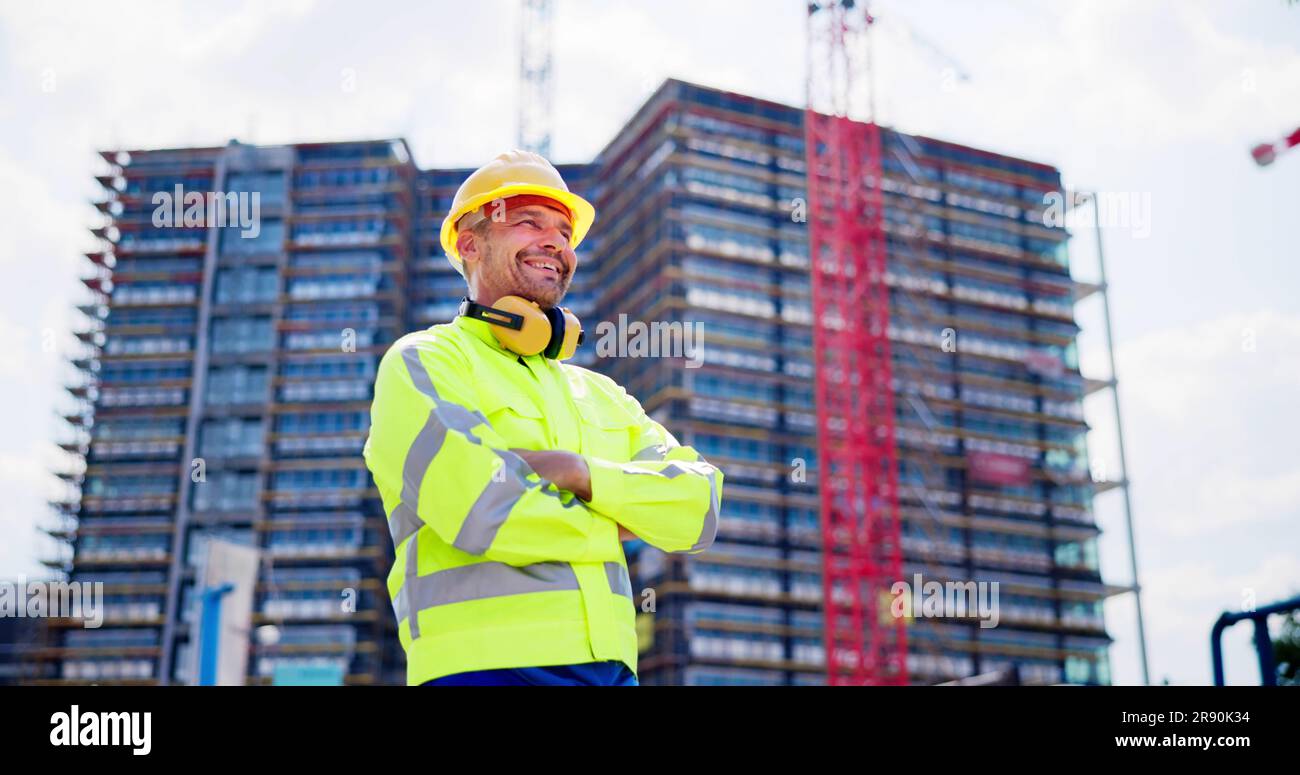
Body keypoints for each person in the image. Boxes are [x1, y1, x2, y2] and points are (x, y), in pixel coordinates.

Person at [363, 150, 724, 686]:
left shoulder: (600, 393)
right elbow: (481, 507)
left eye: (564, 231)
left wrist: (578, 472)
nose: (556, 242)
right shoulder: (425, 362)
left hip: (614, 671)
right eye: (529, 221)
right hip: (482, 671)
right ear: (469, 243)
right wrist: (623, 515)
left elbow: (699, 509)